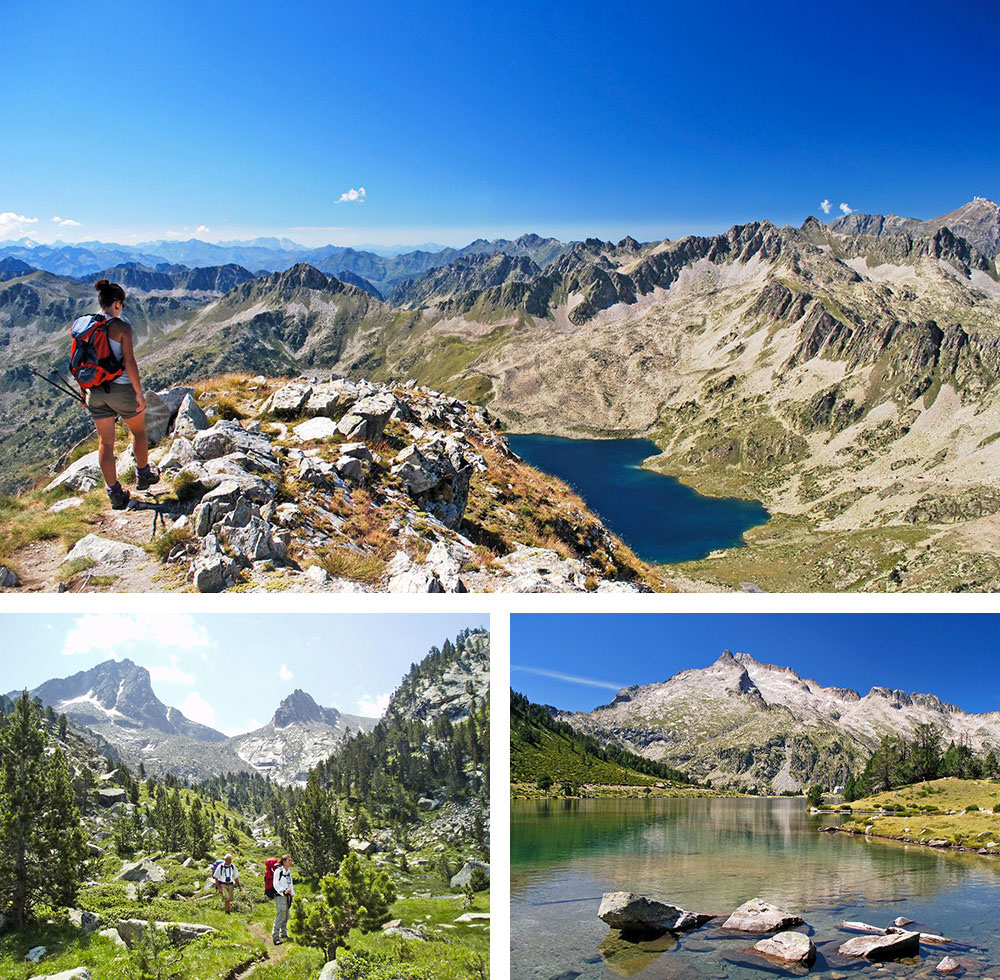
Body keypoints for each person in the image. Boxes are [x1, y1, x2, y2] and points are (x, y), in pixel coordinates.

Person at [85, 278, 160, 509]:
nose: (122, 308)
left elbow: (81, 362)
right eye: (122, 304)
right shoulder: (122, 327)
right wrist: (138, 393)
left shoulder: (86, 327)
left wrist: (84, 392)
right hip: (122, 390)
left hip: (95, 391)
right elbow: (129, 361)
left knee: (105, 443)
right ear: (116, 303)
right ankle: (143, 475)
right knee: (138, 431)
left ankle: (114, 493)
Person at [272, 854, 294, 945]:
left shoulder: (289, 872)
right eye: (289, 860)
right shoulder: (278, 871)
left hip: (288, 896)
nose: (291, 862)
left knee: (286, 915)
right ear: (284, 862)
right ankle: (275, 936)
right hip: (280, 895)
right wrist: (283, 891)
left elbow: (291, 884)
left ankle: (284, 934)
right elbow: (276, 883)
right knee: (281, 914)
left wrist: (292, 894)